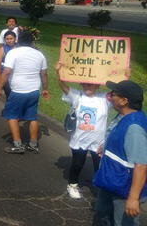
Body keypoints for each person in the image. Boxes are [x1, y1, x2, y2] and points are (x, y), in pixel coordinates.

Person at [93, 80, 146, 225]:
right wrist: (106, 146)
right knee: (103, 217)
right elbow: (117, 136)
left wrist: (133, 198)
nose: (109, 96)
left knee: (122, 223)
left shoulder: (135, 128)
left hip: (123, 189)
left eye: (113, 94)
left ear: (124, 101)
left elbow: (141, 165)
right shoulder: (123, 116)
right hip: (111, 180)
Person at [55, 62, 110, 199]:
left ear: (97, 85)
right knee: (78, 163)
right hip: (80, 139)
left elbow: (119, 91)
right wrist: (59, 72)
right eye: (84, 84)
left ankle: (100, 188)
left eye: (90, 84)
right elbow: (64, 87)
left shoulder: (104, 99)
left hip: (99, 142)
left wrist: (125, 75)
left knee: (100, 167)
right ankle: (72, 184)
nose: (87, 87)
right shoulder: (77, 96)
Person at [0, 30, 48, 154]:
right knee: (32, 117)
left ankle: (18, 144)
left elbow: (7, 71)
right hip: (34, 90)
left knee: (12, 116)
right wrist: (45, 89)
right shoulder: (40, 54)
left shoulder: (13, 53)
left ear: (18, 40)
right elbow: (44, 74)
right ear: (32, 41)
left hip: (18, 91)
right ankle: (33, 144)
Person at [0, 31, 17, 98]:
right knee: (9, 95)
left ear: (15, 39)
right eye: (7, 39)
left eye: (11, 38)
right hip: (5, 75)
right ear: (4, 40)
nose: (9, 41)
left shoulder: (19, 48)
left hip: (15, 75)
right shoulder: (2, 49)